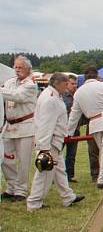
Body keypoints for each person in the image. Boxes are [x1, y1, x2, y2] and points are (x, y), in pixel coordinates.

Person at [27, 73, 85, 212]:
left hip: (54, 141)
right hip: (50, 142)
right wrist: (44, 148)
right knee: (44, 174)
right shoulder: (50, 99)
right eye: (65, 84)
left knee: (59, 172)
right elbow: (46, 125)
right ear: (57, 83)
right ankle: (34, 203)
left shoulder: (51, 95)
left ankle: (68, 197)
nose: (67, 87)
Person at [67, 66, 103, 190]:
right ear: (97, 75)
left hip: (93, 123)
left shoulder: (79, 92)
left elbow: (74, 115)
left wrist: (68, 133)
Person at [1, 56, 39, 202]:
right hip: (9, 125)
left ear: (28, 69)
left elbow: (18, 96)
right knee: (6, 158)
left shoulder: (30, 84)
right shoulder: (9, 82)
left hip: (26, 126)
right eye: (16, 67)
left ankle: (21, 191)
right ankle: (11, 187)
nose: (17, 70)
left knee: (24, 161)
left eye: (20, 67)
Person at [63, 74, 79, 183]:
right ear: (67, 84)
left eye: (75, 84)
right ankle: (55, 175)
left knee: (71, 154)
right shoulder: (61, 96)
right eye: (72, 83)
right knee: (57, 153)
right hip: (62, 129)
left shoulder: (77, 96)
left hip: (75, 129)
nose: (74, 86)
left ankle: (69, 175)